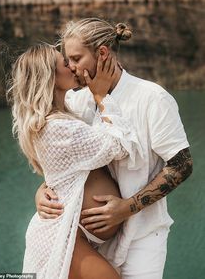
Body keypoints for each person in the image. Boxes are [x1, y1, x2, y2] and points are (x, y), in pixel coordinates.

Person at [36, 18, 193, 279]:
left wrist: (126, 208)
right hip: (89, 238)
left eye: (75, 58)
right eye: (67, 60)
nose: (70, 67)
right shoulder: (77, 100)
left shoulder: (151, 97)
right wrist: (42, 191)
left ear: (102, 54)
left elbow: (182, 165)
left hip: (143, 238)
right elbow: (63, 161)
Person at [7, 42, 143, 279]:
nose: (71, 66)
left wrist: (41, 190)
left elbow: (62, 175)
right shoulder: (58, 127)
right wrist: (101, 96)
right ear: (49, 76)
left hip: (72, 232)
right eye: (64, 63)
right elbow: (120, 146)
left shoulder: (61, 117)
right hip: (63, 233)